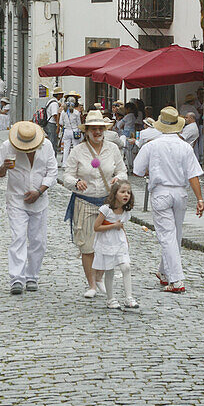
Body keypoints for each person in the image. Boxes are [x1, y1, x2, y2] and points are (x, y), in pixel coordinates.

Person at [132, 107, 204, 294]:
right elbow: (194, 175)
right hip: (180, 192)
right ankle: (164, 272)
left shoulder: (151, 145)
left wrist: (154, 170)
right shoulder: (185, 147)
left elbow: (137, 170)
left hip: (161, 192)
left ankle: (177, 279)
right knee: (176, 235)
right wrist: (200, 198)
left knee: (167, 236)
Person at [62, 109, 129, 298]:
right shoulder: (78, 151)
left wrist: (118, 179)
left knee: (107, 245)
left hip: (107, 204)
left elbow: (122, 171)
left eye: (101, 129)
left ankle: (100, 278)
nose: (98, 132)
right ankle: (91, 284)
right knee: (87, 245)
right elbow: (67, 175)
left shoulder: (112, 149)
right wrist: (76, 183)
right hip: (84, 201)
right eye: (94, 129)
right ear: (87, 131)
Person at [0, 121, 58, 294]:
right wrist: (4, 167)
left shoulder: (46, 146)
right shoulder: (7, 147)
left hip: (40, 199)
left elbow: (52, 172)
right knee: (18, 237)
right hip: (16, 199)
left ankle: (32, 276)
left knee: (38, 240)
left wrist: (40, 191)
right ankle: (16, 278)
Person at [93, 180, 138, 310]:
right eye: (122, 192)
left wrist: (125, 240)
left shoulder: (125, 211)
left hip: (119, 242)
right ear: (115, 193)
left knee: (126, 267)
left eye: (128, 192)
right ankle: (110, 298)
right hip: (106, 242)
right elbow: (96, 227)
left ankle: (129, 297)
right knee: (109, 270)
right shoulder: (106, 209)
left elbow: (121, 227)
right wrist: (114, 225)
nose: (126, 195)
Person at [59, 93, 84, 166]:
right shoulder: (76, 112)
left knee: (66, 148)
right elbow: (79, 123)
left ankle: (64, 163)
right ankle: (75, 163)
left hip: (67, 131)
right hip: (75, 130)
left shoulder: (63, 112)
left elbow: (60, 122)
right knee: (75, 147)